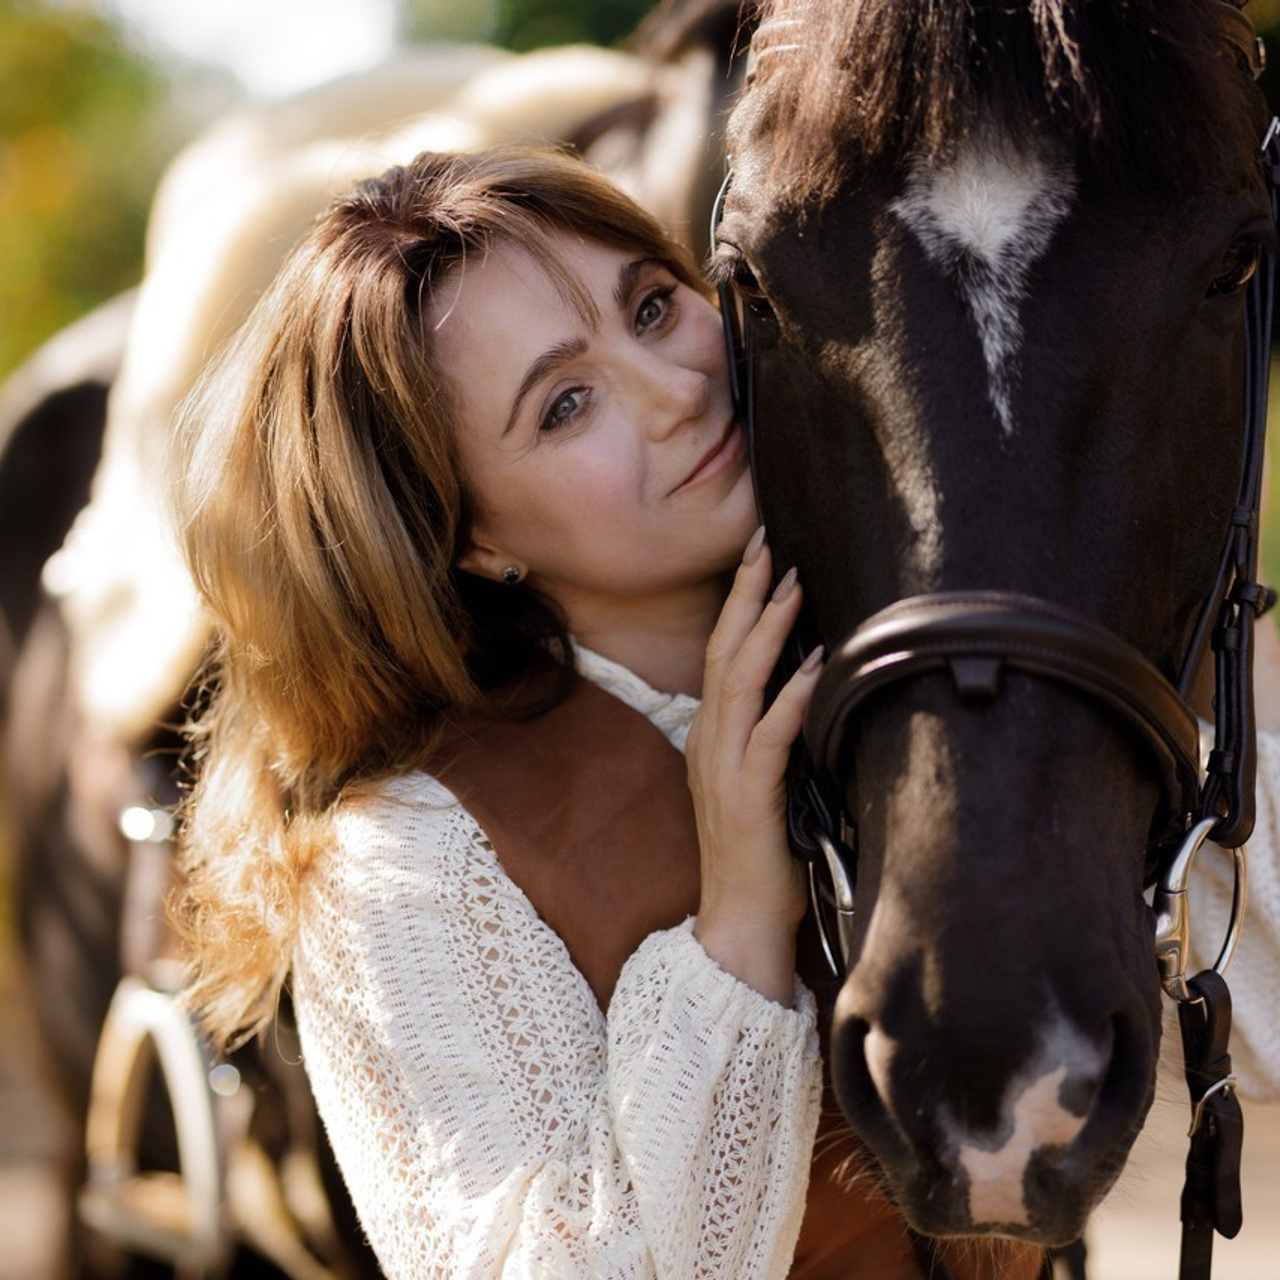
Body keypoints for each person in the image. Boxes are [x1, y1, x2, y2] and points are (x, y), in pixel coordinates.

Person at [168, 144, 1274, 1279]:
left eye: (651, 307)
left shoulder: (915, 667)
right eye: (564, 404)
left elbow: (1261, 1004)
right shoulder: (412, 853)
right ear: (470, 536)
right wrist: (737, 922)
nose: (671, 389)